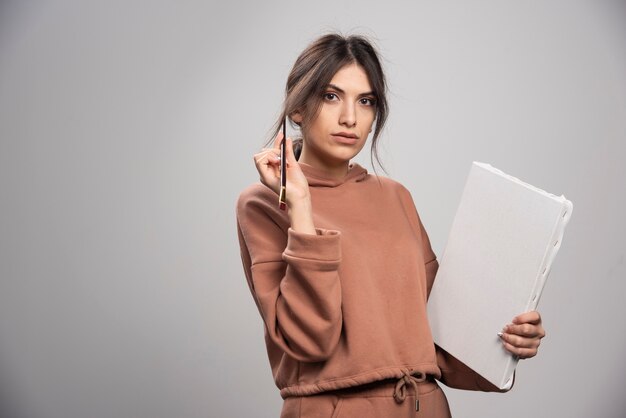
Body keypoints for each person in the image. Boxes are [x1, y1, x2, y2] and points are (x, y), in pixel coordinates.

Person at [236, 33, 545, 418]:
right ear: (297, 108)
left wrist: (505, 341)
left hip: (424, 405)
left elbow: (438, 339)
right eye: (331, 96)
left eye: (366, 101)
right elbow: (309, 340)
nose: (350, 117)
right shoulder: (264, 202)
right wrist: (300, 205)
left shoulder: (395, 196)